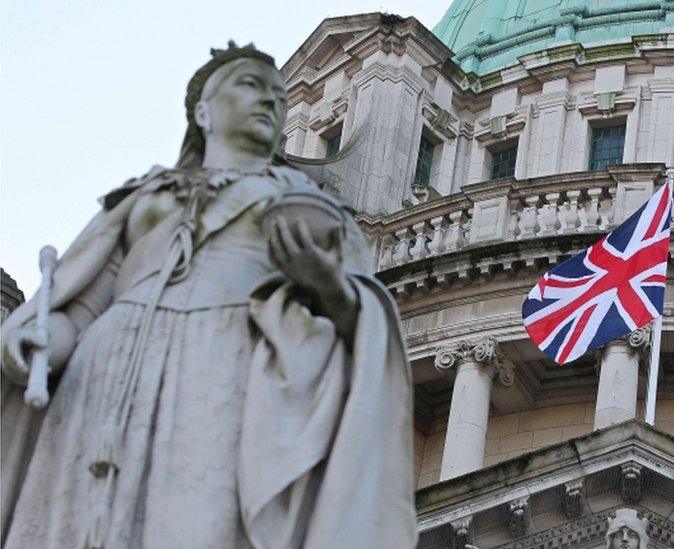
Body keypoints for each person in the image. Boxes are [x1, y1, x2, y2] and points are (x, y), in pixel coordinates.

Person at [0, 42, 416, 549]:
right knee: (83, 522)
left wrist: (327, 285)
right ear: (201, 111)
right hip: (106, 372)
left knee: (200, 519)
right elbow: (84, 305)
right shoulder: (144, 196)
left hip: (226, 364)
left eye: (278, 96)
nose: (269, 102)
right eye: (250, 86)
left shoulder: (309, 207)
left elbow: (365, 325)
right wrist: (38, 341)